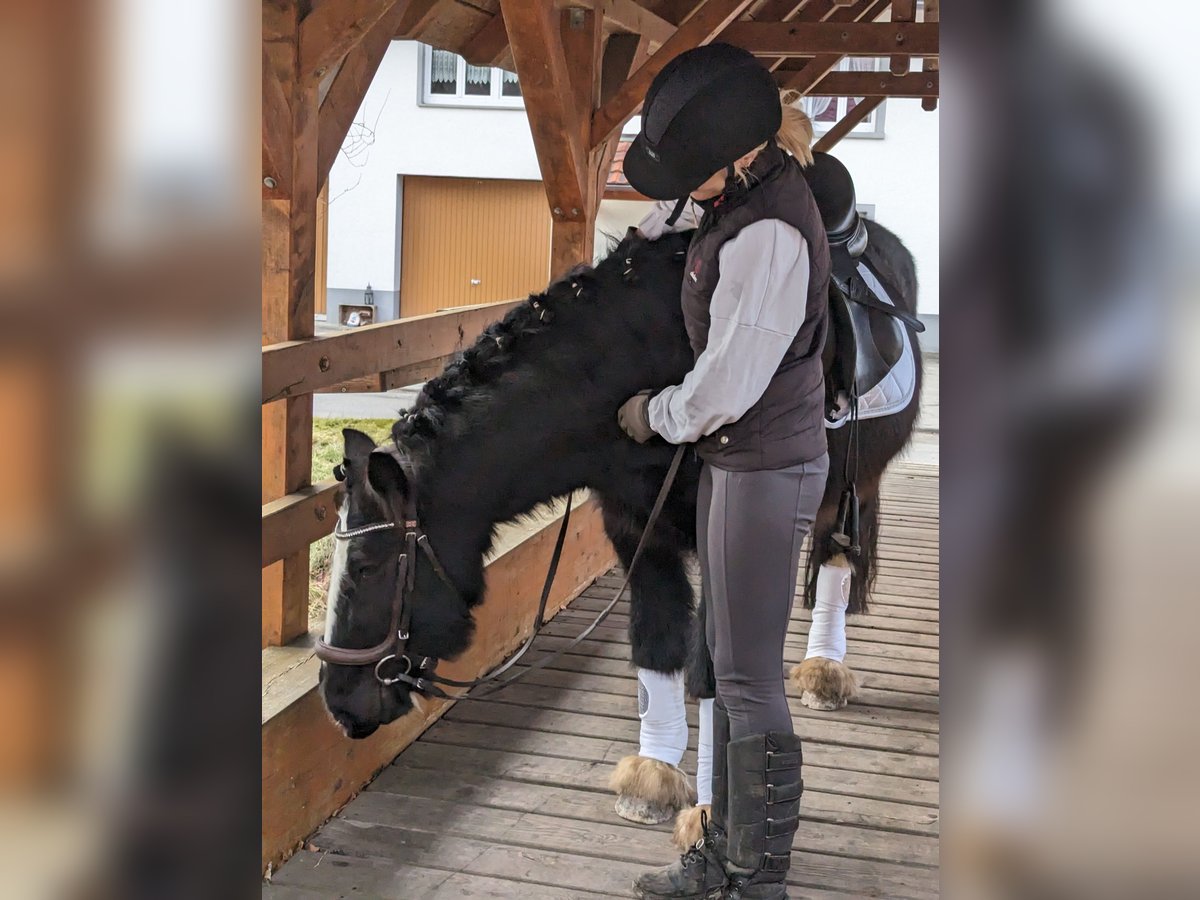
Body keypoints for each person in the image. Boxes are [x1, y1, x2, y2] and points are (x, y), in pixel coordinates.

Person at [616, 44, 831, 900]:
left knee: (747, 679)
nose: (682, 189)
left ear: (739, 156)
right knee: (725, 661)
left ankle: (756, 877)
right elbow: (666, 228)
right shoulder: (734, 200)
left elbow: (728, 387)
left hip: (763, 463)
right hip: (739, 465)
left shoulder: (771, 232)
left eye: (692, 173)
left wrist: (655, 414)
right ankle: (726, 850)